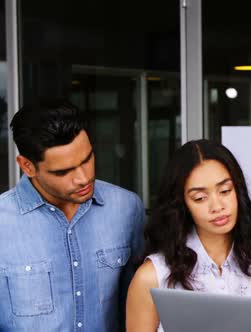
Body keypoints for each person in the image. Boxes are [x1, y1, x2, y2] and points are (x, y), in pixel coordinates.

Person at [0, 100, 145, 331]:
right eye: (63, 171)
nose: (83, 177)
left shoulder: (127, 209)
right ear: (27, 166)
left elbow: (140, 309)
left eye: (87, 159)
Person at [126, 139, 251, 332]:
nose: (217, 206)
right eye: (200, 198)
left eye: (225, 191)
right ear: (181, 204)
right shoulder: (152, 277)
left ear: (238, 191)